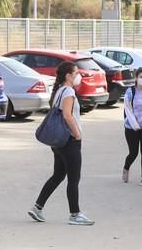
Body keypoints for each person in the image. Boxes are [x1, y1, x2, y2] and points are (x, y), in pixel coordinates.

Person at [29, 61, 94, 226]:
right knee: (74, 178)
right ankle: (75, 214)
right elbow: (67, 115)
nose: (78, 76)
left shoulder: (59, 91)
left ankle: (38, 207)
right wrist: (77, 134)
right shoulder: (68, 91)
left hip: (58, 141)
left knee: (58, 175)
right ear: (68, 75)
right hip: (69, 140)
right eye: (76, 73)